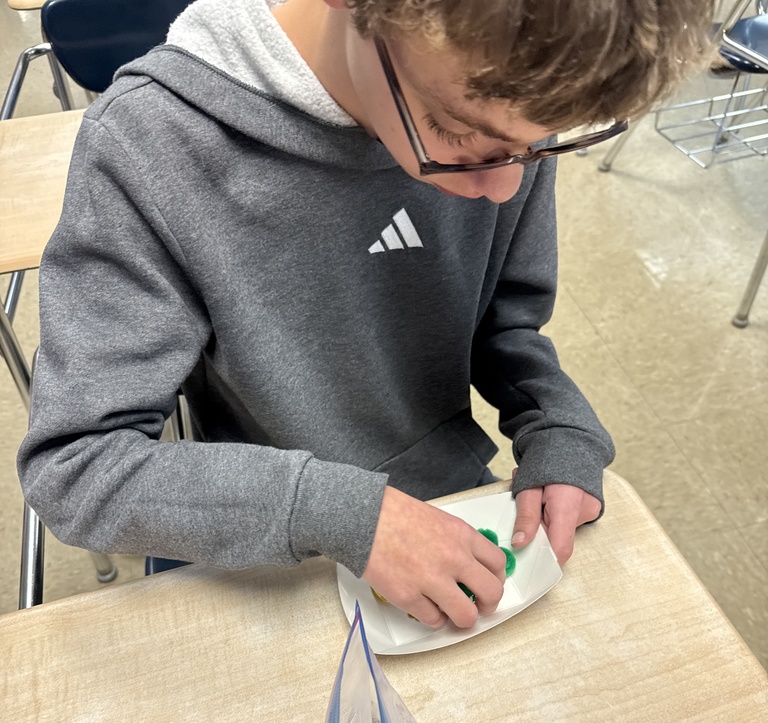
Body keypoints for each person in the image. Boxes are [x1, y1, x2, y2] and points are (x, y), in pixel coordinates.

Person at [17, 0, 713, 629]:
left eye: (541, 147)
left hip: (447, 511)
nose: (506, 187)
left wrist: (555, 420)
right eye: (460, 135)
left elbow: (503, 324)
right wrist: (345, 514)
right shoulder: (151, 144)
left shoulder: (512, 97)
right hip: (250, 547)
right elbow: (79, 469)